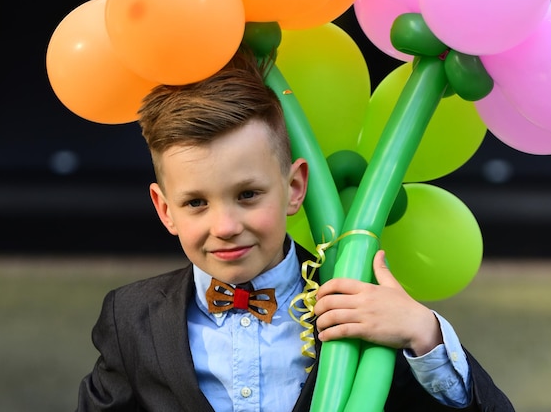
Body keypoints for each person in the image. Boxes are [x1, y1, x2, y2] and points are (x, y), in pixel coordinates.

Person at [76, 46, 515, 411]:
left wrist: (425, 335)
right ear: (164, 208)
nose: (225, 226)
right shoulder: (130, 318)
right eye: (196, 203)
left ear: (295, 187)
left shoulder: (362, 307)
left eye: (248, 194)